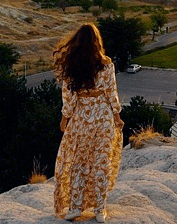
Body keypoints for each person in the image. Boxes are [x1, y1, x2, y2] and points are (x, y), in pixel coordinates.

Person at [53, 23, 124, 222]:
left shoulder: (72, 64)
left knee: (79, 163)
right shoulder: (106, 64)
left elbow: (69, 96)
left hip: (82, 118)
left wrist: (65, 117)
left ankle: (75, 207)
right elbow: (111, 93)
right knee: (102, 162)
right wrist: (117, 116)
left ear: (76, 42)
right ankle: (100, 210)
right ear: (96, 42)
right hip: (102, 117)